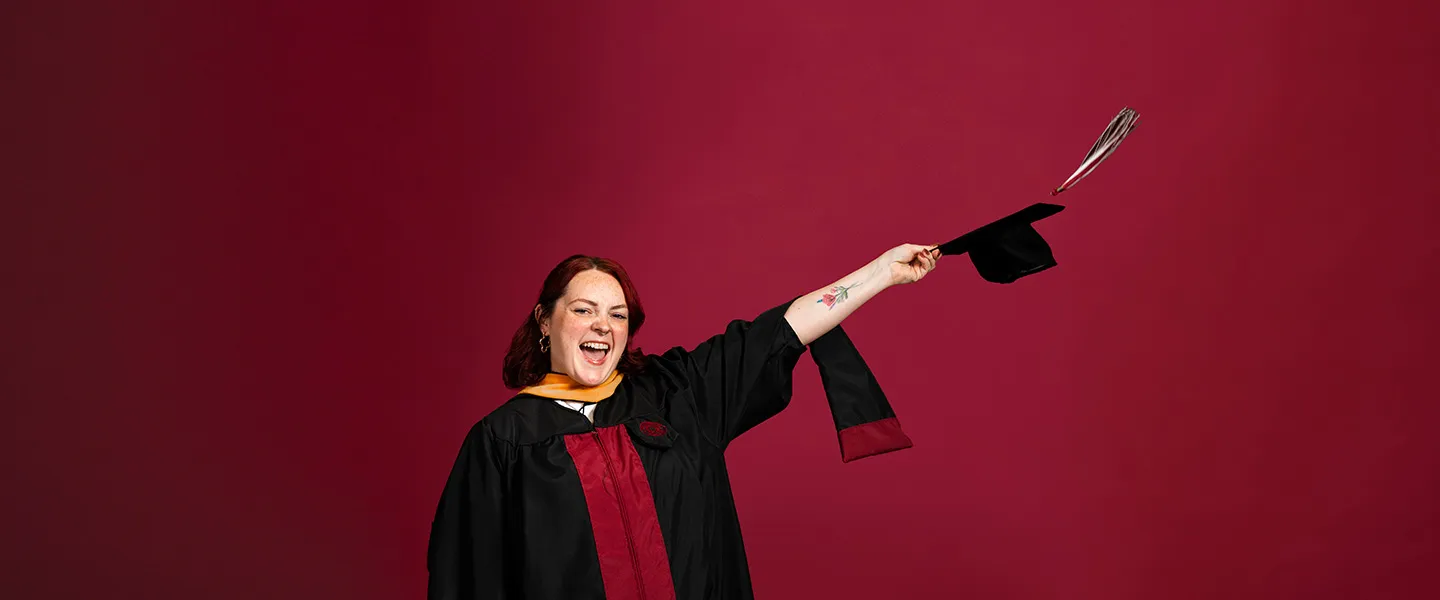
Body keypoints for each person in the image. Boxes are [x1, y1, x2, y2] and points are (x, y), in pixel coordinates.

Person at [427, 244, 940, 600]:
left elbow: (780, 331)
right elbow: (467, 579)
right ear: (545, 320)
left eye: (618, 314)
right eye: (584, 310)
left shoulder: (677, 395)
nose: (602, 325)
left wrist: (882, 272)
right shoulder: (503, 440)